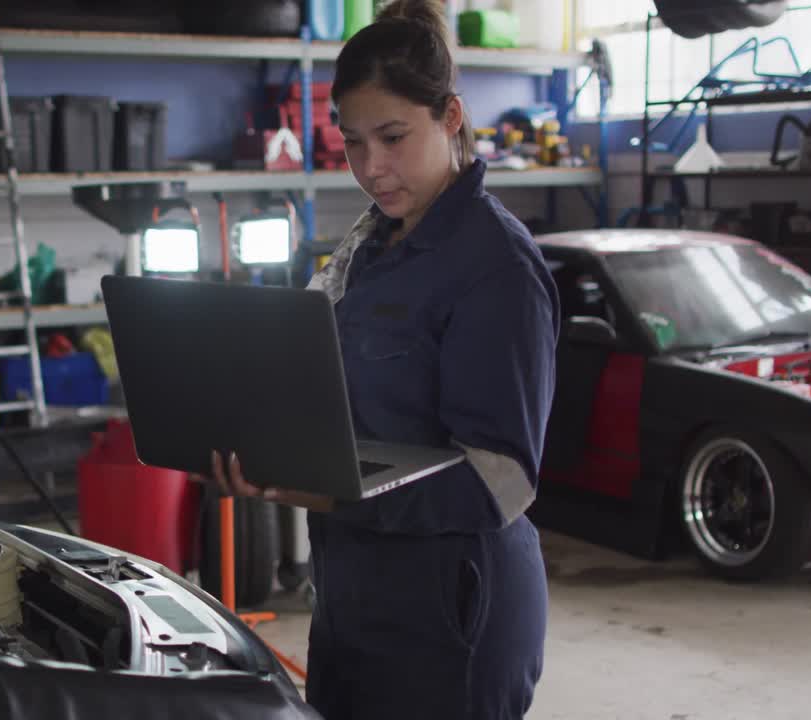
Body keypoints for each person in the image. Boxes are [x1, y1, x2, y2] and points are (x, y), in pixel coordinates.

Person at [201, 1, 560, 717]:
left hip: (453, 613)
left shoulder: (495, 267)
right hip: (354, 596)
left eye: (393, 137)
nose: (370, 167)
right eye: (353, 141)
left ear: (451, 116)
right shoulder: (370, 247)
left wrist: (321, 490)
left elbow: (501, 486)